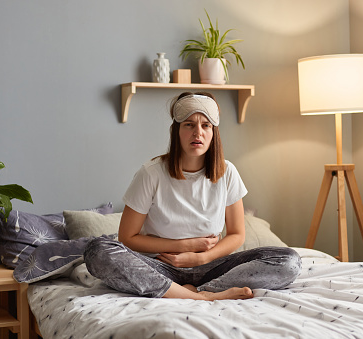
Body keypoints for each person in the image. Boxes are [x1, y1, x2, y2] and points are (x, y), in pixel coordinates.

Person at [84, 92, 301, 301]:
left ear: (213, 132)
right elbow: (127, 237)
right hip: (160, 266)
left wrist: (201, 257)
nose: (198, 133)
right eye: (189, 125)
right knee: (98, 251)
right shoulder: (151, 173)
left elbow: (237, 234)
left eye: (205, 125)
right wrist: (184, 246)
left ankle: (200, 291)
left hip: (212, 267)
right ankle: (199, 296)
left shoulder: (227, 172)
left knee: (289, 261)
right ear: (176, 131)